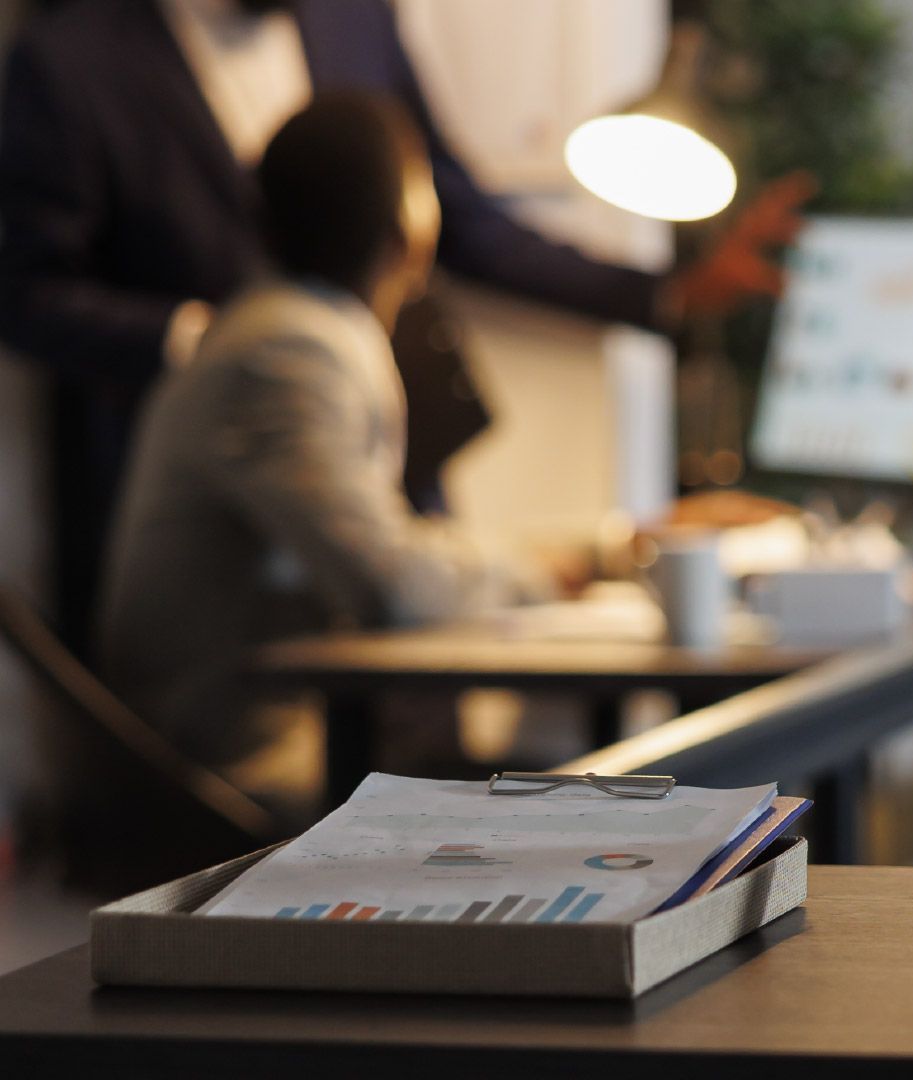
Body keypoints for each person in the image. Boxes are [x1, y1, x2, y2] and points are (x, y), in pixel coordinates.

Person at [0, 0, 810, 647]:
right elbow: (24, 292)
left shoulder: (352, 16)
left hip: (375, 476)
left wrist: (668, 293)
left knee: (431, 688)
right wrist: (200, 338)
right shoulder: (74, 57)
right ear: (401, 235)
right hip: (240, 636)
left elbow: (462, 212)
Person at [96, 91, 539, 778]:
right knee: (570, 801)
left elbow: (383, 549)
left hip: (274, 737)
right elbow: (391, 586)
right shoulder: (287, 351)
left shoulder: (285, 330)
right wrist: (549, 573)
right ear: (407, 230)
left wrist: (587, 555)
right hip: (223, 768)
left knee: (559, 789)